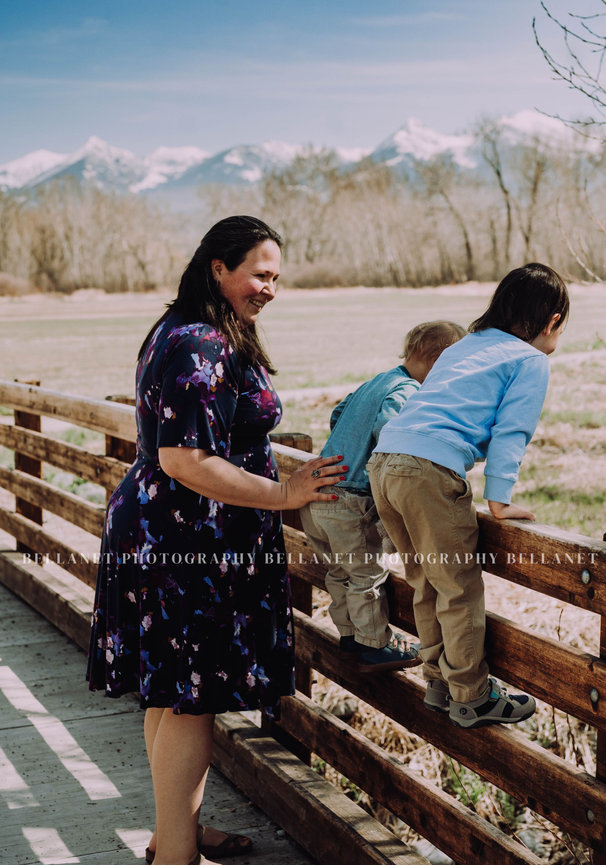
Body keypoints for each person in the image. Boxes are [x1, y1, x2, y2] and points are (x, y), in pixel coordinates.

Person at [86, 216, 345, 865]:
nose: (270, 287)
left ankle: (177, 830)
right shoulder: (198, 342)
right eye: (260, 273)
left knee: (173, 693)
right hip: (185, 540)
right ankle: (176, 854)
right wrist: (286, 494)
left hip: (178, 532)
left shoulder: (193, 329)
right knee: (187, 701)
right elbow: (185, 458)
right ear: (218, 269)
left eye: (277, 276)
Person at [367, 263, 569, 729]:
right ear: (552, 320)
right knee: (459, 585)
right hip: (428, 470)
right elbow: (511, 431)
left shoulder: (465, 346)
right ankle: (472, 696)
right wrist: (499, 499)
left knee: (425, 578)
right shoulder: (529, 359)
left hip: (387, 459)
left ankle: (439, 682)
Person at [300, 321, 465, 671]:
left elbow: (338, 413)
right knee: (366, 575)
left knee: (339, 571)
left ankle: (350, 635)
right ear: (436, 360)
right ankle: (374, 643)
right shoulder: (406, 393)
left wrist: (350, 442)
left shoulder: (378, 380)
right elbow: (392, 436)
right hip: (350, 499)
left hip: (317, 498)